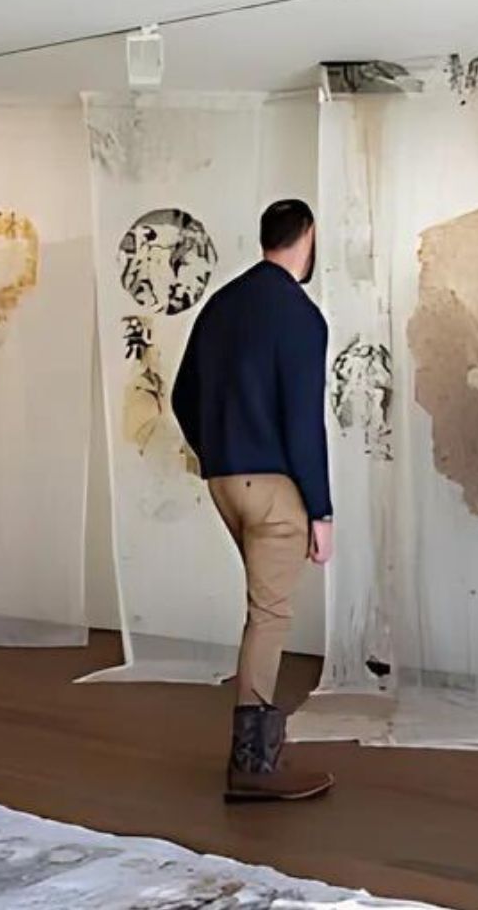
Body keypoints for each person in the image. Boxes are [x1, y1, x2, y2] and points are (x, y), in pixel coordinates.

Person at [172, 199, 335, 803]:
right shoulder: (300, 315)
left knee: (262, 609)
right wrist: (320, 511)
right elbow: (303, 425)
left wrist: (214, 451)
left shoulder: (220, 305)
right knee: (269, 616)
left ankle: (258, 756)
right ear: (308, 238)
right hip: (274, 491)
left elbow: (182, 395)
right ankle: (253, 765)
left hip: (225, 483)